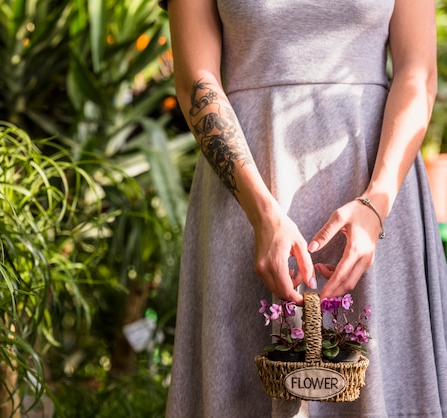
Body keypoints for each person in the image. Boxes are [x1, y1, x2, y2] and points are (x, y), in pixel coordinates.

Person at [161, 0, 447, 416]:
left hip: (377, 189)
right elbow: (194, 79)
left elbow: (417, 73)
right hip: (246, 191)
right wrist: (261, 213)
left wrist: (376, 203)